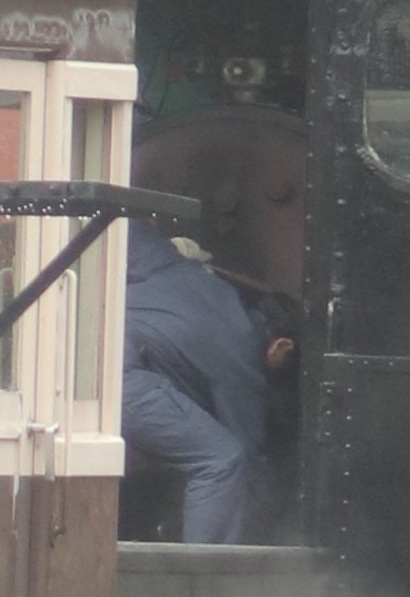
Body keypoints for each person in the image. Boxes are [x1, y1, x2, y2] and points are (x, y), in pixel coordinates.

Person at [122, 201, 292, 543]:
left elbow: (119, 230)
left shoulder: (172, 264)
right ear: (279, 346)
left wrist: (173, 247)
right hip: (117, 376)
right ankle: (201, 579)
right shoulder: (244, 345)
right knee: (221, 460)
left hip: (78, 362)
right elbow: (246, 445)